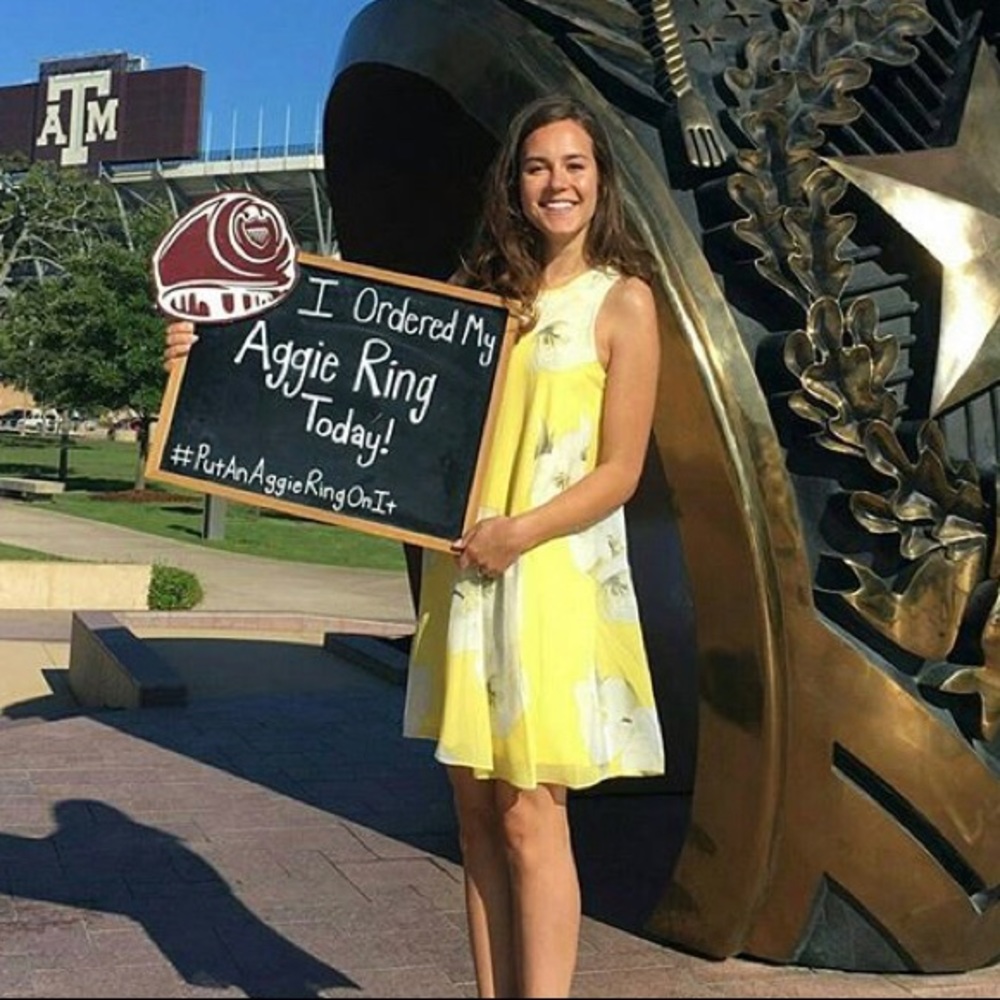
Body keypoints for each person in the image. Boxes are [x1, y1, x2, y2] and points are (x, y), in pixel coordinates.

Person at [164, 93, 665, 998]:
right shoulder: (479, 304)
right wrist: (206, 358)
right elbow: (344, 398)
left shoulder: (623, 303)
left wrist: (522, 533)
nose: (557, 182)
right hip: (465, 576)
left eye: (574, 165)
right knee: (474, 813)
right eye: (538, 165)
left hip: (549, 578)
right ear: (514, 185)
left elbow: (619, 472)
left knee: (530, 817)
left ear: (601, 182)